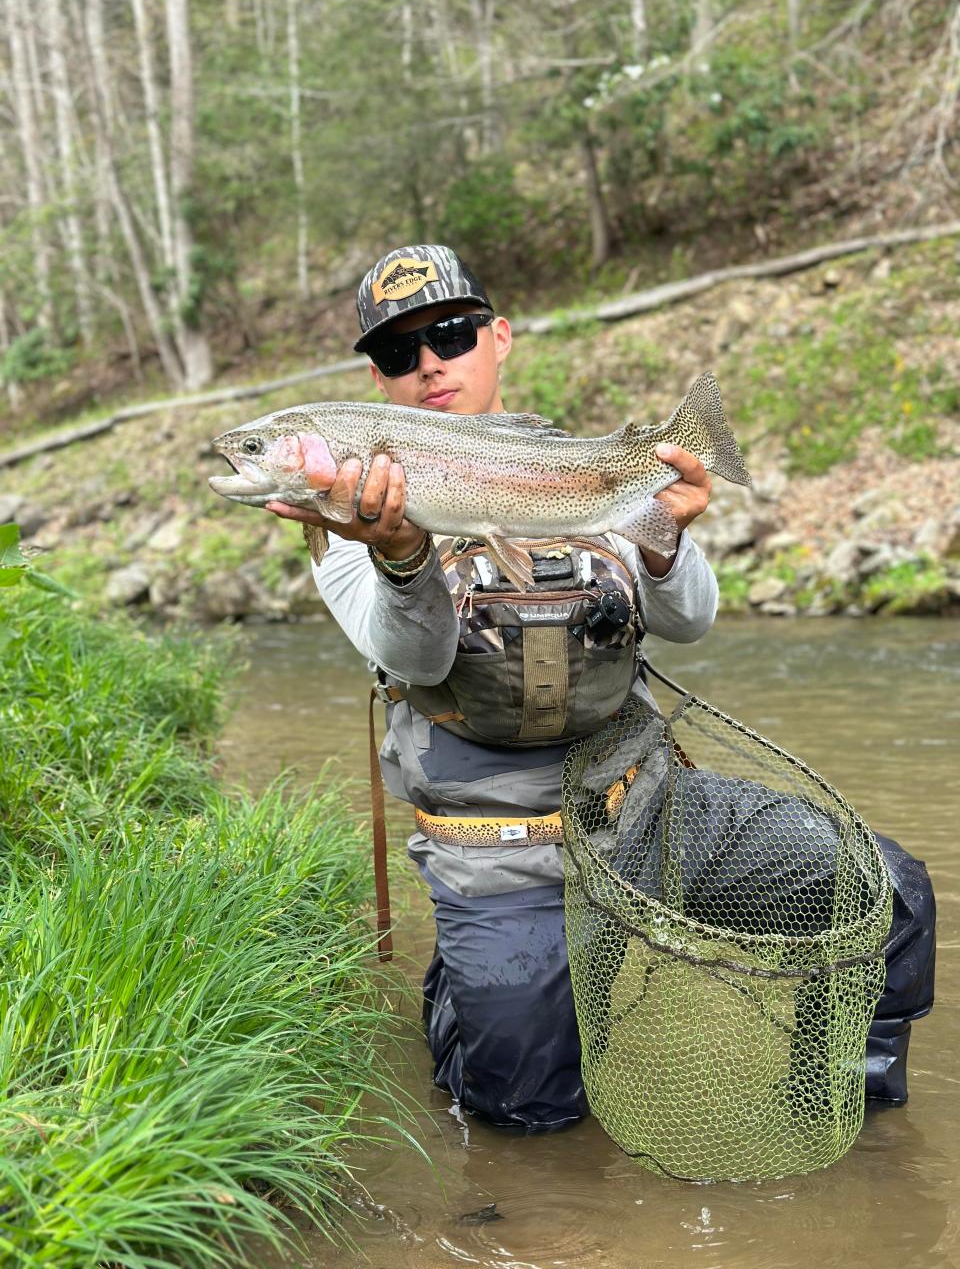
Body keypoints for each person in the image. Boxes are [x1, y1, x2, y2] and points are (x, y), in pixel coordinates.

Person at [267, 244, 934, 1132]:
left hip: (650, 810)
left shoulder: (574, 466)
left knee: (887, 892)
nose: (431, 362)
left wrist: (661, 536)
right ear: (376, 380)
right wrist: (399, 553)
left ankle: (849, 1112)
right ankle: (472, 993)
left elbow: (691, 620)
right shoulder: (346, 515)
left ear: (498, 337)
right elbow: (419, 661)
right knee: (525, 1115)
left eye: (454, 334)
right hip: (500, 852)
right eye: (398, 352)